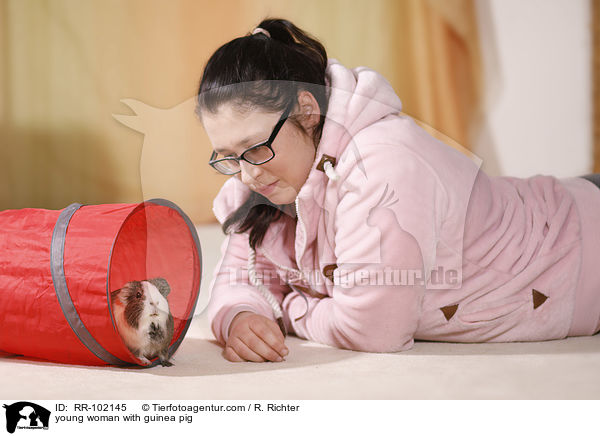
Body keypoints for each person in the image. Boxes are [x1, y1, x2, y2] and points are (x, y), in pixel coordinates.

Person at [196, 17, 600, 363]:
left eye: (256, 148)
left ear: (307, 110)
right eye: (229, 157)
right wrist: (240, 316)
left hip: (580, 248)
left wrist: (289, 307)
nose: (247, 174)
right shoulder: (266, 182)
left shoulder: (381, 166)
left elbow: (373, 330)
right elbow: (236, 278)